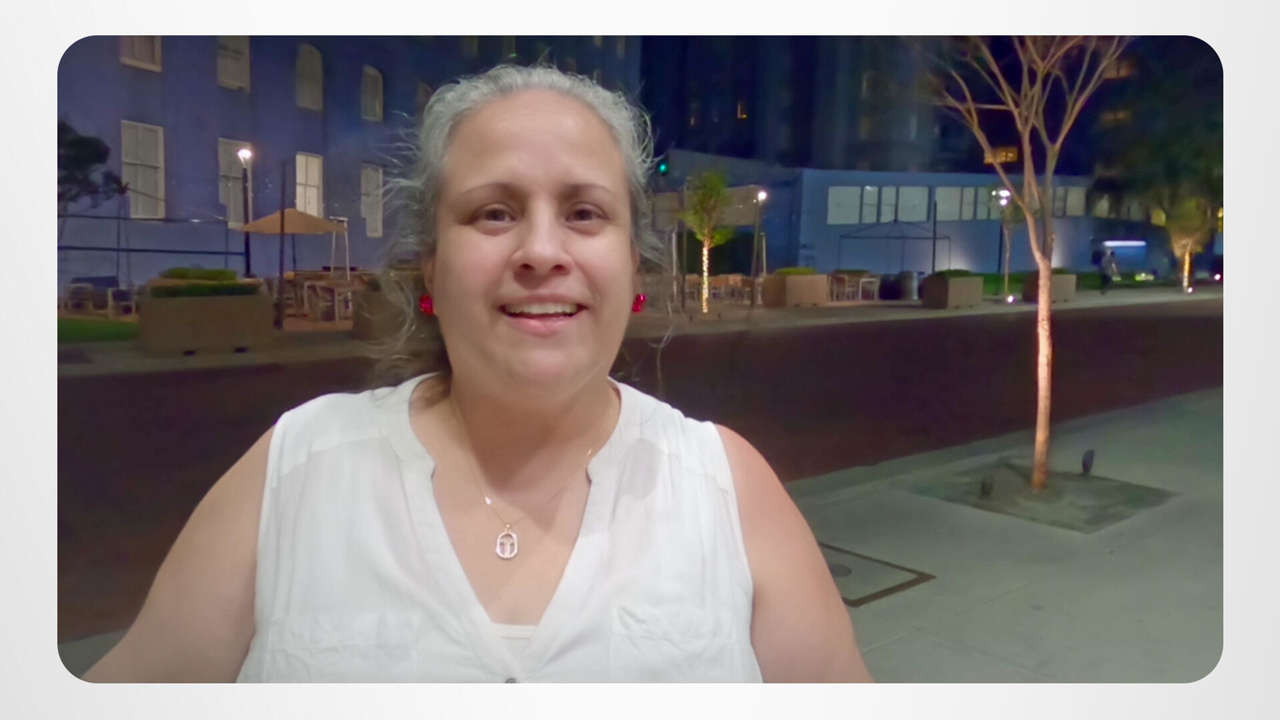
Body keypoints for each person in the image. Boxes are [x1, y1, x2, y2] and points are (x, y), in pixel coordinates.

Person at [83, 64, 873, 683]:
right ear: (430, 266)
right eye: (494, 212)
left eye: (585, 212)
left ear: (634, 263)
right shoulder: (298, 467)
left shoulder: (723, 486)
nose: (541, 251)